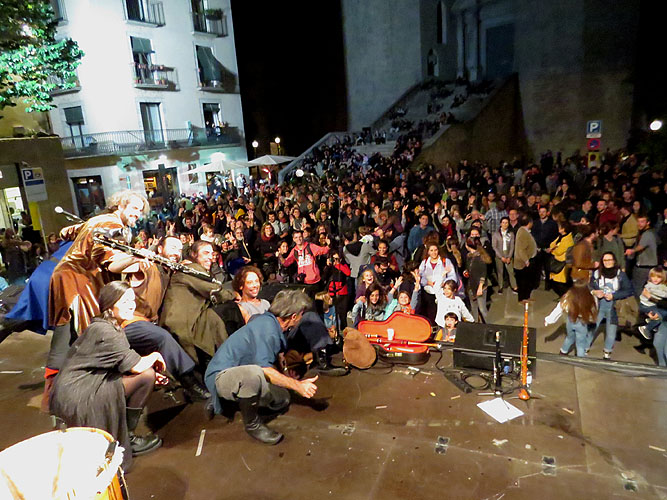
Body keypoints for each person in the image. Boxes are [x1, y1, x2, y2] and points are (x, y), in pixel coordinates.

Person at [45, 190, 150, 411]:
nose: (137, 214)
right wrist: (135, 257)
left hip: (68, 279)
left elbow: (66, 232)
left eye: (140, 211)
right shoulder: (111, 225)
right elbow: (111, 264)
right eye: (133, 208)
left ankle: (56, 399)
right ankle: (82, 396)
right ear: (120, 205)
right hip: (78, 283)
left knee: (66, 336)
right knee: (91, 334)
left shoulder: (99, 220)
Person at [50, 282, 167, 471]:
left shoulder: (105, 325)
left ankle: (127, 434)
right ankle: (127, 437)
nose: (131, 306)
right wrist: (155, 356)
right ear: (110, 305)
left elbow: (119, 363)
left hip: (81, 385)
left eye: (132, 301)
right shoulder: (106, 331)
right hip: (79, 393)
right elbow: (137, 366)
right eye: (125, 301)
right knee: (146, 376)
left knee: (146, 375)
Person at [204, 289, 318, 444]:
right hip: (221, 376)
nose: (301, 318)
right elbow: (264, 369)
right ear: (293, 316)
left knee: (282, 399)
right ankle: (252, 424)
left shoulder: (268, 321)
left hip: (237, 372)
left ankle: (231, 402)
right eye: (301, 314)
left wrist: (286, 375)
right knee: (255, 374)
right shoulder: (267, 329)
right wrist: (298, 386)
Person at [123, 236, 210, 401]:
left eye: (179, 249)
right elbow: (120, 267)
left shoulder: (170, 272)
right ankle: (190, 383)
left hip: (151, 324)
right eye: (173, 248)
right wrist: (138, 257)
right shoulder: (148, 265)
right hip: (130, 323)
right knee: (162, 337)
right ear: (160, 249)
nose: (177, 252)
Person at [160, 240, 235, 365]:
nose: (210, 257)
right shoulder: (192, 269)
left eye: (212, 254)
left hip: (184, 321)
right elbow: (215, 292)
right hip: (180, 326)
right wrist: (235, 294)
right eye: (206, 253)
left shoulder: (191, 269)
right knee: (231, 309)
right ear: (194, 254)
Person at [588, 252, 634, 359]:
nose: (607, 262)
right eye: (605, 260)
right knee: (592, 328)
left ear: (614, 261)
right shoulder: (596, 273)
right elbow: (590, 286)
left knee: (611, 332)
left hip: (614, 307)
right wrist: (594, 292)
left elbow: (629, 290)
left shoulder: (621, 275)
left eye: (609, 260)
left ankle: (607, 353)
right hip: (598, 306)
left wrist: (614, 296)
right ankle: (585, 348)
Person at [544, 282, 598, 357]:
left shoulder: (568, 298)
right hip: (582, 323)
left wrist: (549, 320)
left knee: (569, 337)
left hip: (571, 321)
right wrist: (590, 320)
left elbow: (558, 309)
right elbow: (593, 312)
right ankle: (580, 359)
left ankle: (563, 351)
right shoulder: (591, 299)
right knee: (580, 344)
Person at [418, 243, 457, 324]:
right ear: (428, 252)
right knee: (430, 314)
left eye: (435, 250)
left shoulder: (445, 261)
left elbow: (452, 276)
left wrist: (445, 283)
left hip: (442, 292)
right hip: (428, 292)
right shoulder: (424, 263)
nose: (434, 252)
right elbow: (420, 276)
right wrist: (427, 282)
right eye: (431, 250)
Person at [626, 214, 658, 299]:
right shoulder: (643, 233)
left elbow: (641, 246)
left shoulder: (648, 234)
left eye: (642, 222)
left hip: (644, 267)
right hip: (647, 265)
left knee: (637, 288)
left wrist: (632, 251)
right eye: (638, 222)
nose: (639, 224)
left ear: (648, 222)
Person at [463, 236, 492, 322]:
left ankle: (490, 326)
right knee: (474, 308)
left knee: (482, 309)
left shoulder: (480, 258)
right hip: (471, 285)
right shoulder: (469, 256)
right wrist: (466, 272)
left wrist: (480, 287)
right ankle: (475, 324)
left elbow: (483, 273)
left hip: (480, 287)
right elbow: (470, 269)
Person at [638, 267, 667, 340]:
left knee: (664, 313)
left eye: (658, 277)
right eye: (653, 276)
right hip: (646, 306)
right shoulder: (650, 285)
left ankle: (653, 323)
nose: (655, 279)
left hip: (653, 305)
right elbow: (660, 293)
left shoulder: (661, 285)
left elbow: (664, 289)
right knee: (659, 317)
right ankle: (646, 328)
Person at [513, 214, 538, 302]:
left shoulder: (526, 231)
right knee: (523, 281)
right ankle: (522, 298)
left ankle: (527, 296)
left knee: (528, 281)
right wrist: (526, 260)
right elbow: (521, 249)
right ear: (529, 222)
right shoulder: (522, 232)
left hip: (529, 259)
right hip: (523, 262)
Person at [547, 221, 575, 297]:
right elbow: (552, 244)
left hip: (562, 263)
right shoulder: (560, 237)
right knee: (554, 282)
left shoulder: (568, 240)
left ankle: (565, 296)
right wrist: (554, 248)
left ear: (563, 229)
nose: (558, 228)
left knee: (560, 283)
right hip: (556, 261)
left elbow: (559, 251)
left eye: (560, 227)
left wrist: (552, 250)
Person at [492, 217, 517, 292]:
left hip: (508, 253)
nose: (505, 224)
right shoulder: (496, 234)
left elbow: (512, 246)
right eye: (503, 222)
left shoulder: (511, 234)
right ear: (500, 224)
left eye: (506, 223)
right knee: (500, 271)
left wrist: (509, 256)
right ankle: (500, 286)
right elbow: (494, 247)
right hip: (499, 254)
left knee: (511, 271)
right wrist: (500, 257)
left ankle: (514, 286)